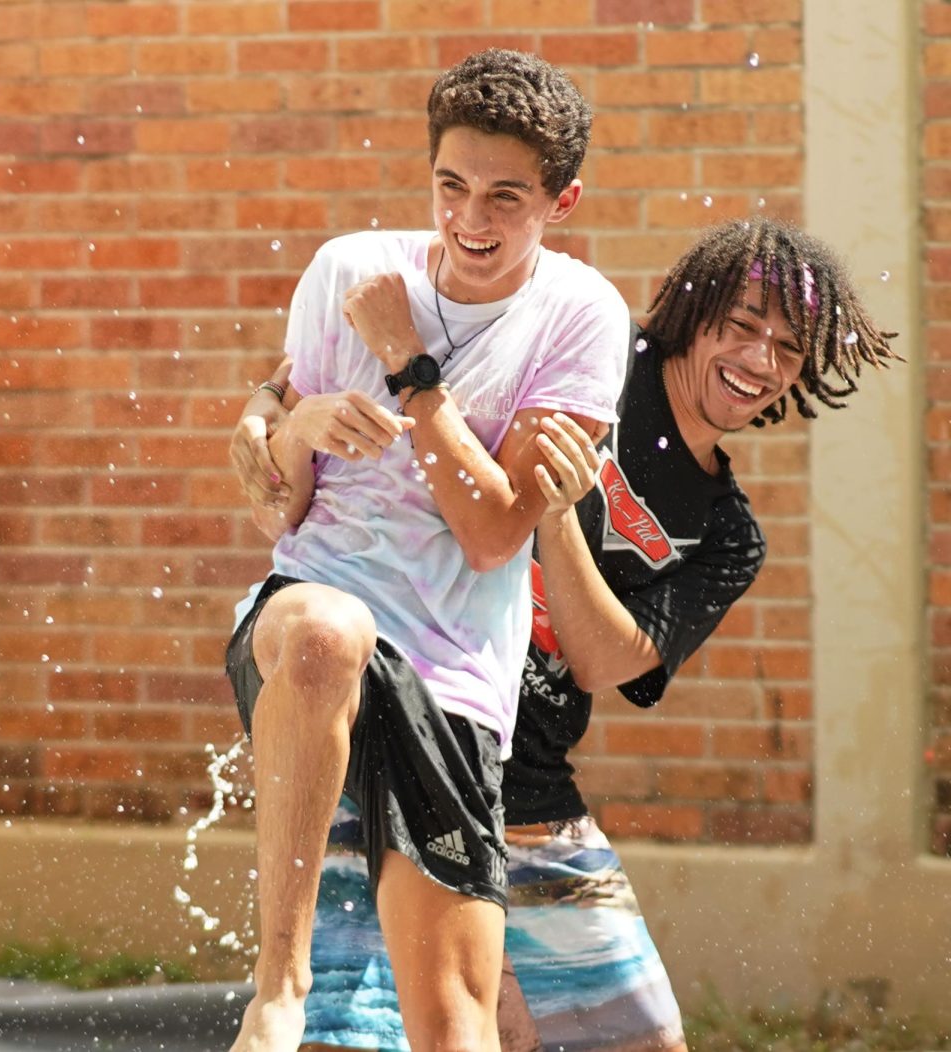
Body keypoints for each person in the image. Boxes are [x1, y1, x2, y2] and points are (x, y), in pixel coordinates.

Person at [230, 216, 899, 1051]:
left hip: (534, 788)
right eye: (742, 328)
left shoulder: (726, 535)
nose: (761, 361)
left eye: (788, 350)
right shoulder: (598, 350)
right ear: (697, 317)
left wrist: (553, 516)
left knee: (645, 1040)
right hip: (411, 733)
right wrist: (266, 400)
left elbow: (602, 660)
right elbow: (376, 352)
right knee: (367, 1034)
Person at [223, 48, 631, 1052]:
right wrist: (291, 421)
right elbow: (281, 509)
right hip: (310, 614)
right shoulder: (346, 269)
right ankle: (278, 988)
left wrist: (412, 364)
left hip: (454, 672)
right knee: (329, 627)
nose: (470, 222)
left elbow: (495, 534)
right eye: (451, 187)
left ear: (561, 200)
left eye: (505, 197)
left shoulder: (580, 316)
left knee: (454, 1023)